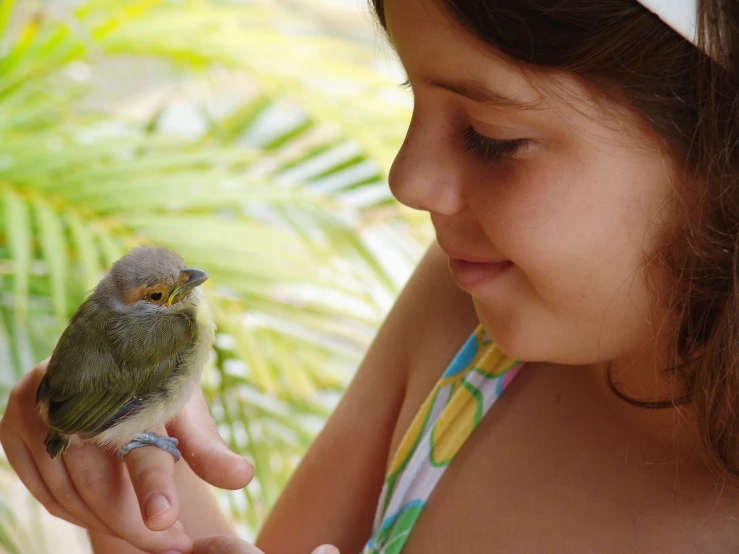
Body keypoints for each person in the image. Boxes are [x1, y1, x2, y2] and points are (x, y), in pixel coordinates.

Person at [3, 0, 739, 551]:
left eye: (491, 137)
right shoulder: (471, 319)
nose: (406, 179)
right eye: (412, 98)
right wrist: (140, 505)